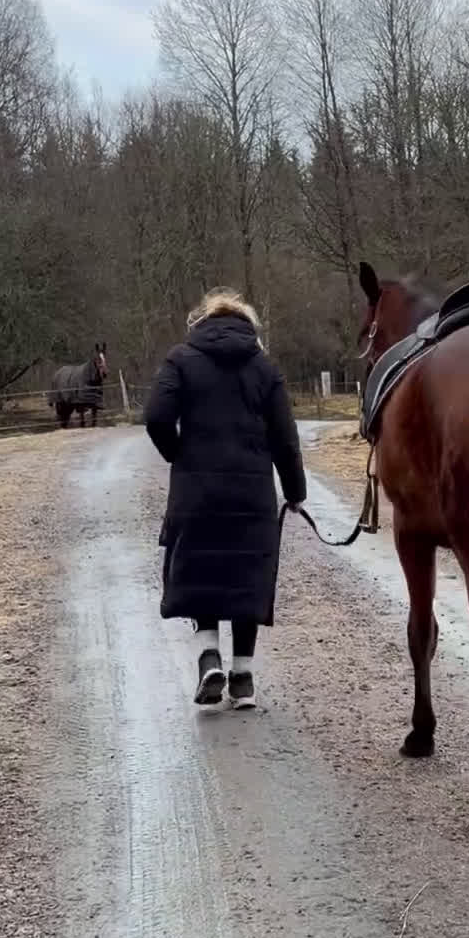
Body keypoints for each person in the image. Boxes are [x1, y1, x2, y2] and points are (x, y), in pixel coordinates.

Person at [145, 289, 307, 709]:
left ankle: (209, 658)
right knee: (245, 576)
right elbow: (286, 440)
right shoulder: (264, 368)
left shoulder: (180, 359)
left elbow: (157, 417)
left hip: (196, 490)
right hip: (251, 492)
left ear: (202, 320)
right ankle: (243, 678)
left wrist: (177, 453)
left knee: (201, 570)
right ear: (247, 324)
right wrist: (295, 492)